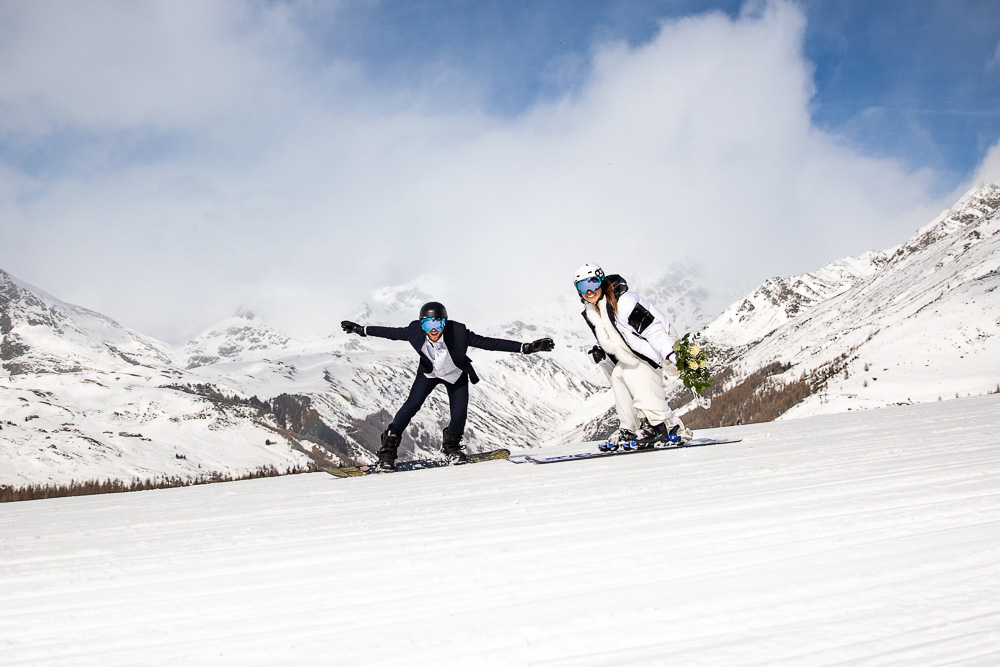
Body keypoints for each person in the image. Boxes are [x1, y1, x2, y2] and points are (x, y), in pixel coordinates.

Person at [341, 301, 555, 472]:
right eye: (428, 325)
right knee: (411, 406)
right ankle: (387, 452)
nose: (433, 331)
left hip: (455, 374)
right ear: (421, 325)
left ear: (445, 323)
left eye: (438, 325)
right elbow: (391, 332)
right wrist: (361, 330)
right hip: (429, 373)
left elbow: (489, 343)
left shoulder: (458, 332)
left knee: (459, 415)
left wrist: (525, 348)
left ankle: (451, 448)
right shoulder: (414, 331)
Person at [574, 263, 693, 447]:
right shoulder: (596, 310)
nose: (589, 291)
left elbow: (653, 329)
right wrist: (601, 352)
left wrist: (671, 352)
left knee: (633, 373)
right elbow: (618, 338)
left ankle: (659, 425)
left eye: (592, 283)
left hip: (659, 341)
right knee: (619, 375)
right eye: (582, 287)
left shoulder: (624, 301)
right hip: (636, 350)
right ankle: (630, 428)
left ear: (601, 281)